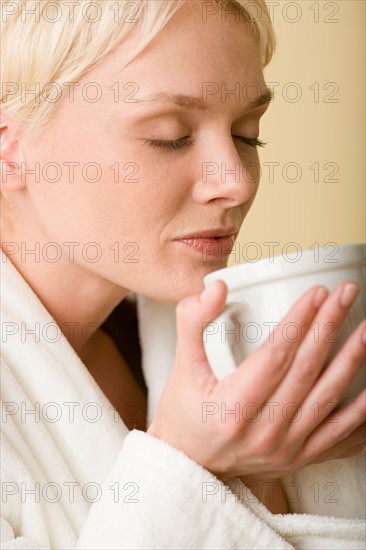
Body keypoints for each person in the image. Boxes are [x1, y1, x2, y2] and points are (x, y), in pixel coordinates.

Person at [1, 0, 365, 548]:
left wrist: (258, 470)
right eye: (169, 136)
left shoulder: (222, 345)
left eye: (248, 134)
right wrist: (189, 462)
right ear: (10, 150)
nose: (236, 183)